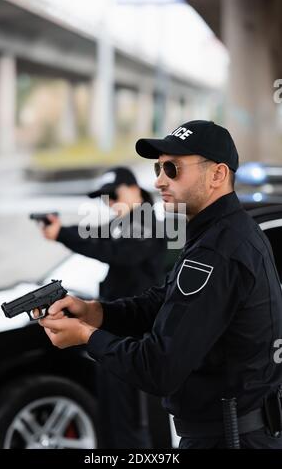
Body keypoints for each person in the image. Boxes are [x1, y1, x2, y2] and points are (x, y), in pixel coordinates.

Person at [39, 120, 282, 449]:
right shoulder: (219, 234)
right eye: (158, 167)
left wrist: (86, 336)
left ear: (218, 175)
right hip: (232, 431)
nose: (159, 180)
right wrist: (95, 313)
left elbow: (158, 367)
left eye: (173, 168)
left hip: (228, 438)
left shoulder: (217, 251)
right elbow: (162, 301)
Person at [40, 166, 166, 449]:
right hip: (111, 331)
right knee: (112, 418)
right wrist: (60, 231)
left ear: (134, 189)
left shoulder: (149, 225)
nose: (110, 202)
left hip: (135, 338)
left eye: (114, 194)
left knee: (130, 422)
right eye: (104, 198)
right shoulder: (127, 222)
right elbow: (95, 236)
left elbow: (111, 250)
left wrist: (62, 233)